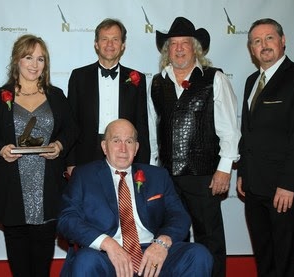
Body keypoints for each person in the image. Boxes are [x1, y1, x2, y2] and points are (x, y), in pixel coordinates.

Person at [57, 119, 213, 277]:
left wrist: (162, 242)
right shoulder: (84, 176)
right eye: (116, 140)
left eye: (129, 141)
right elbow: (67, 219)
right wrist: (107, 243)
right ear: (104, 146)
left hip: (152, 252)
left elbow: (179, 215)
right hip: (105, 255)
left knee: (198, 255)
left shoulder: (157, 176)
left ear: (136, 148)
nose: (123, 149)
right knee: (86, 261)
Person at [149, 16, 241, 277]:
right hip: (167, 176)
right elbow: (154, 130)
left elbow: (229, 129)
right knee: (172, 238)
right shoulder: (156, 82)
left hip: (204, 176)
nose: (178, 48)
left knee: (209, 238)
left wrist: (224, 169)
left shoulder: (215, 78)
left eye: (185, 43)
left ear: (195, 48)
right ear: (167, 50)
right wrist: (156, 172)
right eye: (173, 43)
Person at [0, 34, 77, 277]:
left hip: (49, 189)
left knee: (42, 263)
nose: (34, 64)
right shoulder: (0, 97)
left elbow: (73, 129)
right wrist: (1, 149)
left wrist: (59, 145)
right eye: (28, 57)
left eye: (40, 59)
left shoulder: (56, 95)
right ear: (17, 60)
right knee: (19, 263)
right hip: (12, 190)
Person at [237, 18, 294, 277]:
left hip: (284, 189)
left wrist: (289, 184)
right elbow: (247, 133)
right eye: (257, 41)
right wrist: (242, 173)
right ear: (251, 49)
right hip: (254, 186)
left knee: (286, 257)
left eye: (269, 38)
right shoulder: (252, 81)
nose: (264, 45)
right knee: (264, 254)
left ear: (283, 41)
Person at [66, 18, 150, 175]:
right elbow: (71, 123)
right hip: (86, 154)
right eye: (104, 39)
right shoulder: (79, 77)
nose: (109, 45)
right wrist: (71, 162)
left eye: (115, 39)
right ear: (96, 44)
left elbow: (141, 124)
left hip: (124, 151)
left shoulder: (137, 79)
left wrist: (142, 165)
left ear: (123, 45)